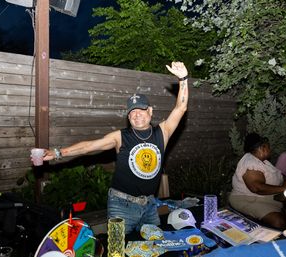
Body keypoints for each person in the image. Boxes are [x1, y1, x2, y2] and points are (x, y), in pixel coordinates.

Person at [41, 61, 189, 234]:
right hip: (121, 205)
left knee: (156, 246)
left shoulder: (163, 132)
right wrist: (58, 152)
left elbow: (181, 107)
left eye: (140, 109)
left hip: (149, 205)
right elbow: (89, 146)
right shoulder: (120, 137)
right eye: (132, 111)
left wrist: (183, 79)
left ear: (150, 111)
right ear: (128, 116)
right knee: (117, 250)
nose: (136, 114)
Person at [228, 133, 286, 229]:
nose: (270, 149)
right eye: (268, 147)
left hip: (264, 198)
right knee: (278, 221)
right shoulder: (250, 162)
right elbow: (256, 188)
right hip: (249, 199)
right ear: (261, 148)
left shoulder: (262, 161)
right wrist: (283, 188)